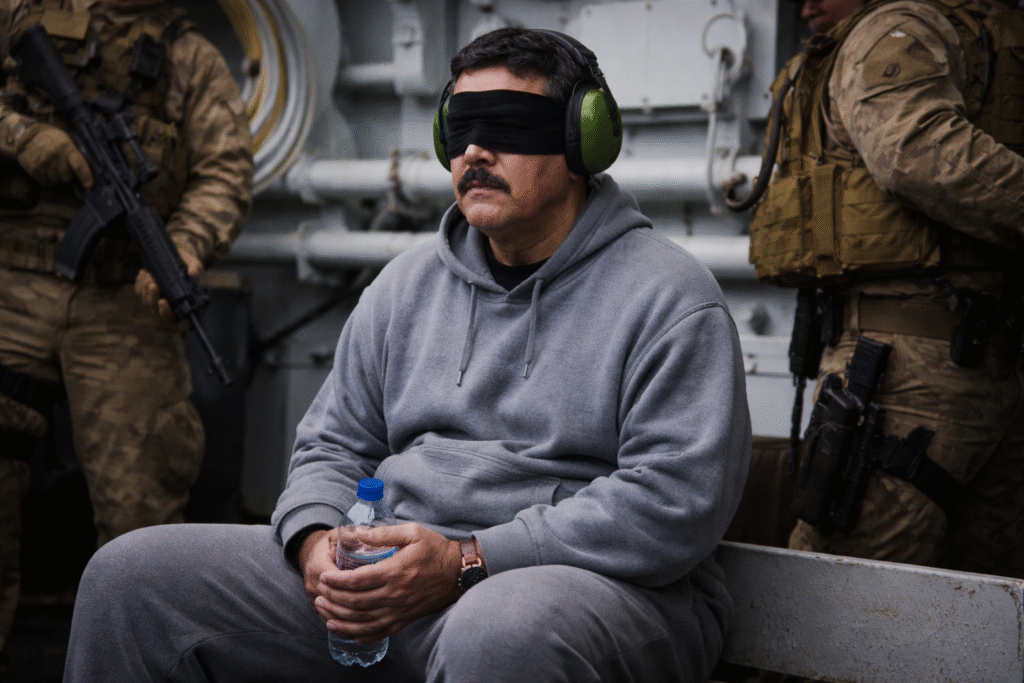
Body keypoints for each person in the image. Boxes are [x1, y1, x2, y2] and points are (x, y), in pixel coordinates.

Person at [62, 27, 752, 683]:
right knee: (130, 578)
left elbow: (672, 502)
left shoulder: (669, 296)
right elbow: (330, 446)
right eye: (459, 129)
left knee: (500, 631)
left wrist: (467, 559)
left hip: (579, 588)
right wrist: (315, 545)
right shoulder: (404, 286)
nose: (475, 151)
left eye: (509, 124)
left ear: (583, 139)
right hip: (392, 578)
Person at [0, 0, 252, 664]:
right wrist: (26, 138)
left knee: (141, 506)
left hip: (124, 297)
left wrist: (187, 246)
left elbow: (224, 172)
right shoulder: (17, 15)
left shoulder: (191, 55)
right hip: (9, 282)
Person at [744, 0, 1024, 578]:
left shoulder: (913, 27)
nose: (805, 6)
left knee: (988, 619)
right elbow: (916, 154)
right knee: (848, 609)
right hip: (898, 376)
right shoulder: (888, 36)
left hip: (977, 370)